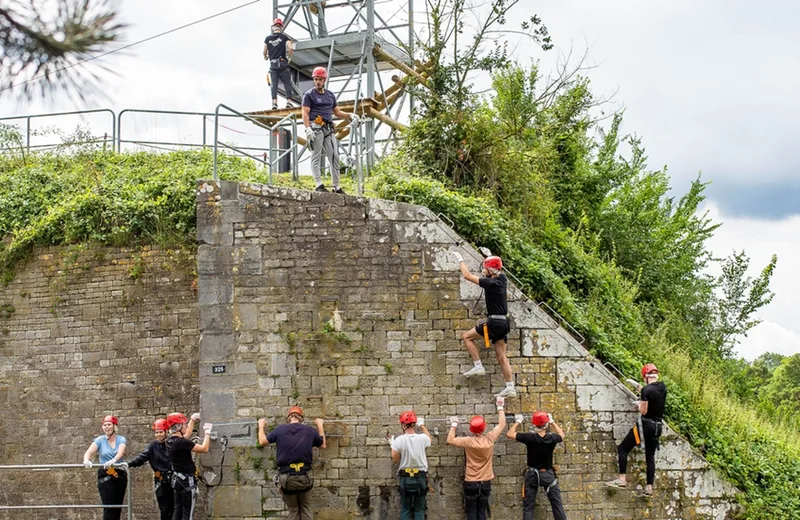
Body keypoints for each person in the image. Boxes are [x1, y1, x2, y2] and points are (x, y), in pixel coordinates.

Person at [453, 251, 516, 398]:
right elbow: (494, 269)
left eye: (485, 267)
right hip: (504, 323)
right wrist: (488, 257)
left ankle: (478, 366)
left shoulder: (491, 283)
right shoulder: (503, 279)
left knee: (467, 337)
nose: (484, 270)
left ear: (490, 270)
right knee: (501, 356)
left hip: (494, 322)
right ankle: (510, 386)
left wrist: (461, 260)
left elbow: (467, 276)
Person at [605, 363, 667, 496]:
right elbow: (650, 392)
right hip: (658, 427)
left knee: (623, 448)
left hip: (645, 426)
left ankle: (622, 479)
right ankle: (649, 488)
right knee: (650, 456)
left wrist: (639, 404)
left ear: (645, 376)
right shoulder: (662, 387)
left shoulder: (646, 391)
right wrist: (637, 387)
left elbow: (643, 411)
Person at [258, 406, 327, 520]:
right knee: (306, 507)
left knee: (293, 509)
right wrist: (320, 424)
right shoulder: (309, 430)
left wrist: (261, 426)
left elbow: (262, 442)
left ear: (288, 418)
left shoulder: (280, 430)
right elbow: (323, 445)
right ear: (301, 419)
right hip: (305, 476)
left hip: (287, 477)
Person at [301, 66, 360, 194]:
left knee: (334, 156)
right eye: (316, 79)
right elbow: (305, 113)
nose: (317, 82)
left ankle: (336, 186)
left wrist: (349, 115)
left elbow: (337, 112)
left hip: (328, 128)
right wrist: (307, 128)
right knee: (316, 155)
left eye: (320, 79)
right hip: (316, 127)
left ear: (324, 80)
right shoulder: (309, 95)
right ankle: (318, 184)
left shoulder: (330, 95)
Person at [447, 397, 507, 520]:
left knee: (471, 513)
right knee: (482, 512)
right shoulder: (489, 439)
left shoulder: (468, 441)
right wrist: (500, 406)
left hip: (471, 481)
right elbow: (502, 424)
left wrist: (454, 424)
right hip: (485, 481)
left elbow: (450, 440)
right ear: (484, 428)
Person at [507, 411, 567, 520]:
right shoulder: (552, 438)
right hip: (548, 475)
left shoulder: (530, 437)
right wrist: (552, 421)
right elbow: (562, 434)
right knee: (557, 505)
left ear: (534, 424)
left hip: (533, 475)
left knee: (528, 507)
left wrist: (518, 422)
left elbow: (509, 434)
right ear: (546, 424)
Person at [166, 412, 212, 520]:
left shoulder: (170, 441)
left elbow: (186, 436)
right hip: (187, 480)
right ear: (178, 427)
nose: (186, 426)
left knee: (177, 512)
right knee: (188, 514)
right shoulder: (181, 443)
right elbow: (204, 448)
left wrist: (192, 420)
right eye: (184, 424)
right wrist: (207, 432)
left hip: (177, 480)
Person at [127, 418, 176, 520]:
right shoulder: (152, 446)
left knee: (175, 508)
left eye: (161, 432)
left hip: (173, 479)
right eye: (156, 432)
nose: (158, 435)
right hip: (160, 480)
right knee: (164, 508)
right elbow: (141, 457)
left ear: (166, 432)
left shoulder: (172, 444)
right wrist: (128, 464)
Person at [82, 415, 128, 520]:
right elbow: (89, 452)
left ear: (114, 426)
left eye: (109, 425)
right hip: (105, 474)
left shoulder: (121, 439)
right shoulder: (100, 440)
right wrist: (86, 460)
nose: (106, 427)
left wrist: (113, 461)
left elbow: (120, 452)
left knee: (118, 506)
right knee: (108, 505)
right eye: (104, 425)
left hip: (119, 473)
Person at [389, 411, 432, 520]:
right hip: (421, 477)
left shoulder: (399, 440)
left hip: (406, 477)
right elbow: (429, 439)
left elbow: (394, 457)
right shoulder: (422, 438)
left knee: (406, 508)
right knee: (419, 509)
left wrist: (392, 444)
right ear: (414, 424)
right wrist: (422, 425)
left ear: (403, 425)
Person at [263, 17, 295, 110]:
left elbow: (264, 52)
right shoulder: (284, 37)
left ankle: (274, 103)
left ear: (273, 27)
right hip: (282, 62)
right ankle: (289, 102)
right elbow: (291, 47)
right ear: (281, 27)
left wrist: (265, 57)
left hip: (273, 64)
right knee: (287, 83)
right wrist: (289, 57)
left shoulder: (268, 38)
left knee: (274, 84)